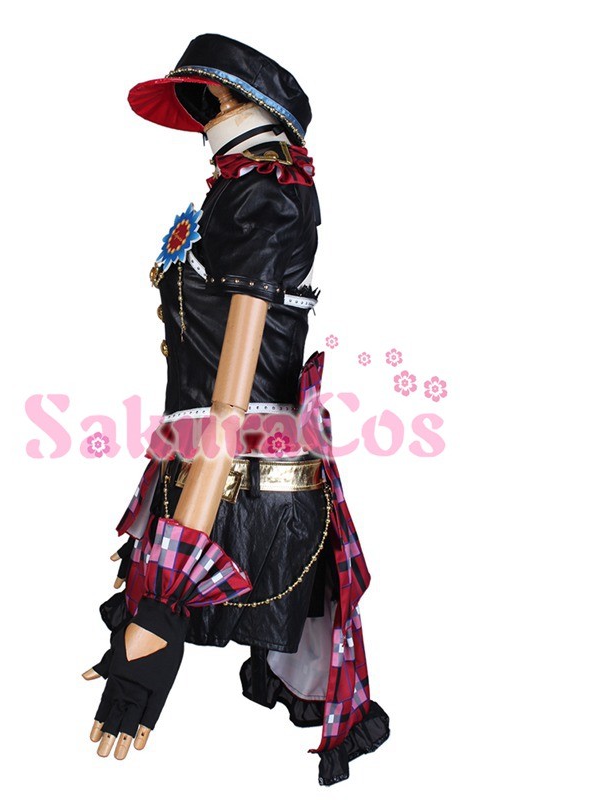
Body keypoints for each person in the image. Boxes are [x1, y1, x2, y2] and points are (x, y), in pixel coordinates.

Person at [82, 33, 390, 786]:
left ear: (257, 107)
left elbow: (230, 403)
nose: (204, 111)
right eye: (202, 97)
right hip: (206, 476)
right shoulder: (235, 192)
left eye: (214, 96)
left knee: (188, 723)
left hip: (240, 498)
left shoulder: (264, 194)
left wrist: (167, 588)